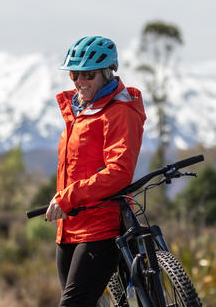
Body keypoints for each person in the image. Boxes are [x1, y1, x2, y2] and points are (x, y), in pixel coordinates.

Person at [45, 36, 146, 306]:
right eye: (74, 73)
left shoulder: (119, 112)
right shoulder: (79, 113)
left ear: (107, 72)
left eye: (87, 73)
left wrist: (68, 197)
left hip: (101, 228)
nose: (79, 80)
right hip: (68, 228)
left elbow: (119, 172)